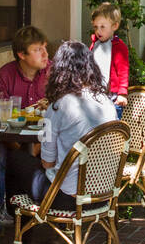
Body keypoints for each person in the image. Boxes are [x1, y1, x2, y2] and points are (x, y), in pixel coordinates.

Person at [28, 41, 119, 211]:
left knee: (16, 161)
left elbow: (47, 163)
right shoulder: (106, 102)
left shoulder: (57, 106)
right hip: (104, 193)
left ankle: (24, 228)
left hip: (69, 198)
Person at [0, 26, 50, 228]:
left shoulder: (52, 73)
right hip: (11, 140)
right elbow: (0, 117)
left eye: (45, 48)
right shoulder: (4, 76)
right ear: (21, 55)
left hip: (46, 140)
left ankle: (47, 212)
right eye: (38, 49)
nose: (45, 54)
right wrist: (21, 146)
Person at [89, 3, 129, 114]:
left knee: (112, 123)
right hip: (95, 94)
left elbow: (123, 72)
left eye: (102, 27)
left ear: (114, 26)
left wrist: (122, 94)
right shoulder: (95, 45)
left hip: (113, 96)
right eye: (96, 27)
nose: (98, 31)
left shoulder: (118, 47)